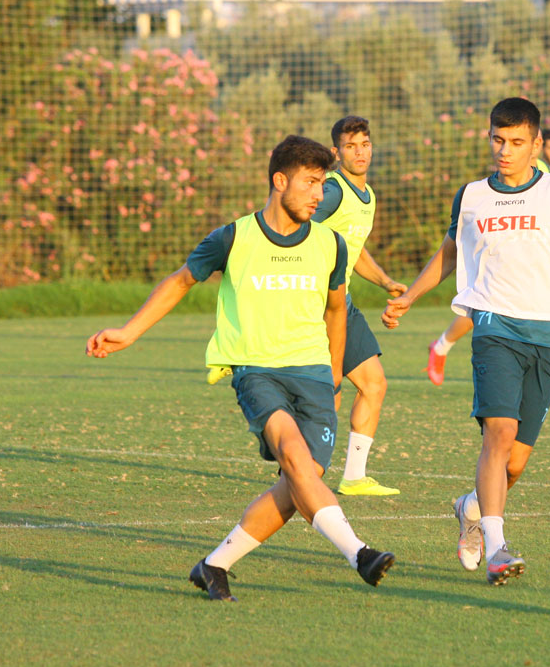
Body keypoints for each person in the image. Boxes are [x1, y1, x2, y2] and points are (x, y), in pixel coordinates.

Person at [86, 135, 395, 601]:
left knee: (298, 485)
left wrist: (334, 374)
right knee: (293, 454)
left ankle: (214, 565)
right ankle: (359, 553)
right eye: (311, 183)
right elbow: (181, 281)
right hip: (257, 372)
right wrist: (129, 332)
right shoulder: (233, 237)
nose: (319, 194)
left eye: (322, 183)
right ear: (279, 180)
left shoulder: (330, 244)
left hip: (313, 373)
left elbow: (336, 311)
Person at [382, 98, 550, 585]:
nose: (504, 151)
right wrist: (410, 296)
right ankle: (497, 547)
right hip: (493, 329)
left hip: (548, 337)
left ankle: (471, 508)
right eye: (497, 140)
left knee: (516, 463)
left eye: (515, 143)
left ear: (536, 145)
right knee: (499, 433)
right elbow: (448, 255)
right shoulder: (471, 196)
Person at [423, 128, 550, 385]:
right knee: (480, 309)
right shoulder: (530, 170)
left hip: (539, 249)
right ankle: (440, 347)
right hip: (509, 251)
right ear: (538, 145)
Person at [312, 116, 406, 496]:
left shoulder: (367, 194)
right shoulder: (332, 191)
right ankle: (299, 474)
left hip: (342, 303)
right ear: (336, 153)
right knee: (327, 393)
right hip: (316, 307)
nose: (360, 152)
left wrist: (385, 280)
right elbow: (299, 226)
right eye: (350, 146)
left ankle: (353, 477)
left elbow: (354, 247)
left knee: (374, 384)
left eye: (364, 144)